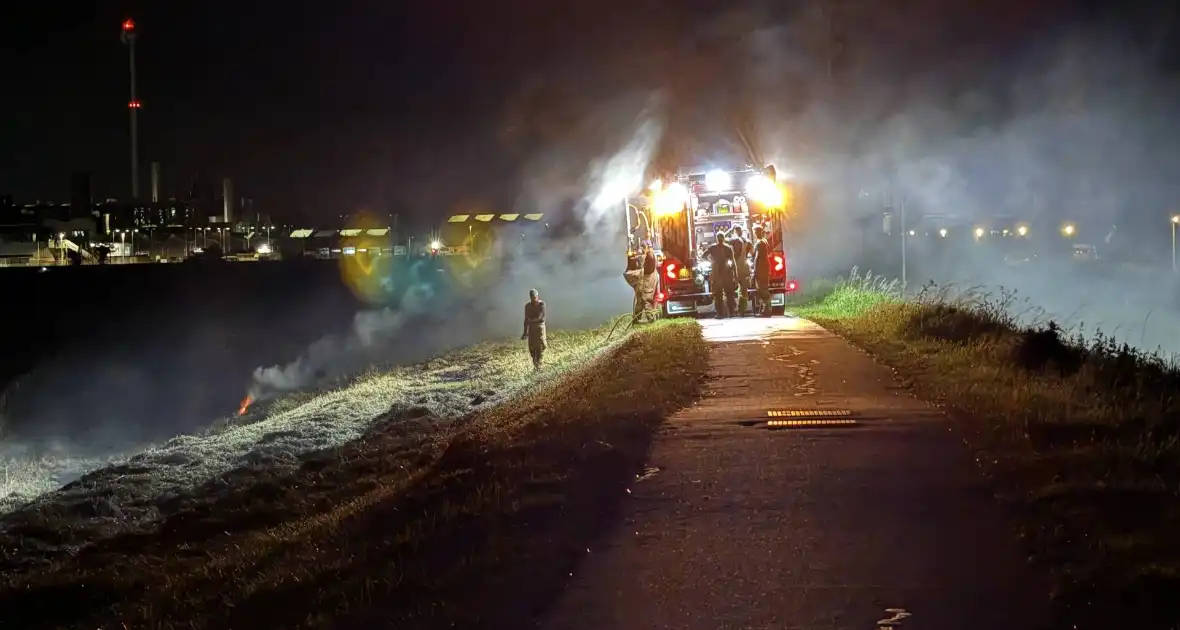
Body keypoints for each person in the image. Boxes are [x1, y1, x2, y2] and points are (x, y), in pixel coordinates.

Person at [705, 232, 738, 318]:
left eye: (720, 237)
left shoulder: (715, 248)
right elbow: (733, 262)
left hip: (721, 273)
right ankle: (727, 313)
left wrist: (711, 261)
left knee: (724, 294)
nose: (720, 239)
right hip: (723, 274)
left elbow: (704, 256)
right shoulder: (724, 248)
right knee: (722, 294)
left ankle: (724, 313)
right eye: (719, 237)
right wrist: (735, 275)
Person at [728, 226, 752, 315]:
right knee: (744, 290)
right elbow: (752, 253)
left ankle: (737, 308)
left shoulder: (734, 241)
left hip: (737, 269)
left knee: (736, 288)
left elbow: (722, 239)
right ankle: (742, 309)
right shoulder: (748, 242)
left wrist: (729, 231)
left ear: (736, 232)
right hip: (745, 267)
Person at [522, 288, 547, 370]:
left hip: (539, 328)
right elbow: (526, 319)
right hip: (531, 329)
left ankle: (539, 366)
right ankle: (535, 366)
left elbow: (539, 317)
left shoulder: (541, 304)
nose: (533, 298)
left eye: (534, 297)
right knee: (532, 348)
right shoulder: (527, 306)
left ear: (537, 296)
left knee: (539, 347)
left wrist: (530, 320)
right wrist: (525, 332)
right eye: (532, 297)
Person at [751, 225, 772, 317]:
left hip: (761, 268)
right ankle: (766, 309)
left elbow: (757, 257)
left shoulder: (760, 243)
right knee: (763, 288)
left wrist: (755, 270)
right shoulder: (765, 241)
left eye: (755, 232)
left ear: (757, 232)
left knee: (762, 289)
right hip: (765, 267)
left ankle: (766, 309)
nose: (755, 234)